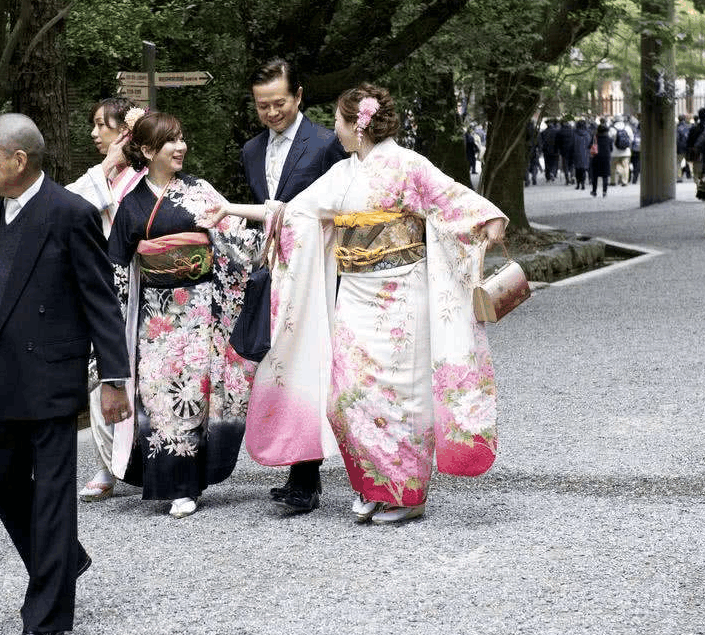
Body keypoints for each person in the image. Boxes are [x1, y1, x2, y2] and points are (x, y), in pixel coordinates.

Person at [204, 83, 507, 524]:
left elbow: (452, 198)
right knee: (347, 395)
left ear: (358, 126)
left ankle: (407, 493)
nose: (335, 130)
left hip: (401, 295)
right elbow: (291, 213)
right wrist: (230, 207)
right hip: (356, 298)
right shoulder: (344, 173)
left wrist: (490, 216)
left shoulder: (407, 165)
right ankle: (372, 482)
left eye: (340, 122)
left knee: (400, 395)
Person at [0, 113, 131, 635]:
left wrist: (115, 380)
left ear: (19, 160)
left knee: (53, 493)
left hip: (51, 374)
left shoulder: (70, 213)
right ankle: (63, 558)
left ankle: (49, 616)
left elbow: (100, 300)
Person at [107, 111, 259, 519]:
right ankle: (168, 482)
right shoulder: (130, 205)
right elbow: (118, 270)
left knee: (197, 394)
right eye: (171, 141)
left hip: (201, 307)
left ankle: (188, 484)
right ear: (146, 150)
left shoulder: (200, 192)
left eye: (181, 138)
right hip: (156, 314)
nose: (181, 147)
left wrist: (273, 235)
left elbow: (239, 241)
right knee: (157, 397)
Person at [240, 57, 348, 513]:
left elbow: (345, 203)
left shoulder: (325, 143)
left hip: (318, 271)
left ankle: (306, 476)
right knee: (278, 364)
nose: (271, 113)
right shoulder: (250, 151)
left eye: (279, 103)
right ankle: (293, 460)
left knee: (309, 364)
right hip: (272, 271)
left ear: (299, 95)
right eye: (263, 105)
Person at [65, 97, 147, 502]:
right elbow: (66, 207)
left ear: (125, 132)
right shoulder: (103, 177)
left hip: (142, 284)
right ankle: (106, 463)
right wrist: (105, 167)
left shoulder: (145, 179)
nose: (95, 133)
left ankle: (147, 460)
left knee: (146, 376)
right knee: (100, 371)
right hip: (103, 287)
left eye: (102, 125)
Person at [590, 119, 612, 198]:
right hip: (606, 158)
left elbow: (590, 146)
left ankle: (594, 191)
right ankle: (604, 191)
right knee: (605, 175)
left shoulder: (595, 138)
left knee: (595, 175)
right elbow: (611, 148)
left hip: (596, 158)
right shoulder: (609, 138)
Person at [609, 116, 633, 187]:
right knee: (625, 166)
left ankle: (613, 181)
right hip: (626, 151)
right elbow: (631, 138)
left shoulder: (612, 129)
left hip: (614, 152)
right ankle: (624, 181)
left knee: (613, 167)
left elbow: (609, 139)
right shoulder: (627, 128)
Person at [571, 119, 593, 190]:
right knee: (583, 170)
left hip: (576, 153)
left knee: (577, 170)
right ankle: (583, 184)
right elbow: (590, 144)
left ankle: (578, 184)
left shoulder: (574, 133)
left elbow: (572, 144)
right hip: (586, 153)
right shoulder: (588, 134)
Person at [555, 119, 575, 185]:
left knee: (565, 165)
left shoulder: (560, 132)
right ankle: (572, 176)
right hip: (572, 150)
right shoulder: (572, 131)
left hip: (564, 150)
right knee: (571, 164)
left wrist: (558, 150)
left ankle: (567, 179)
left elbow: (557, 143)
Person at [676, 114, 692, 183]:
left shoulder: (677, 128)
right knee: (689, 161)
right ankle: (691, 174)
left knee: (678, 163)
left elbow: (677, 139)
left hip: (680, 148)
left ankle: (679, 177)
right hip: (688, 147)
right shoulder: (688, 127)